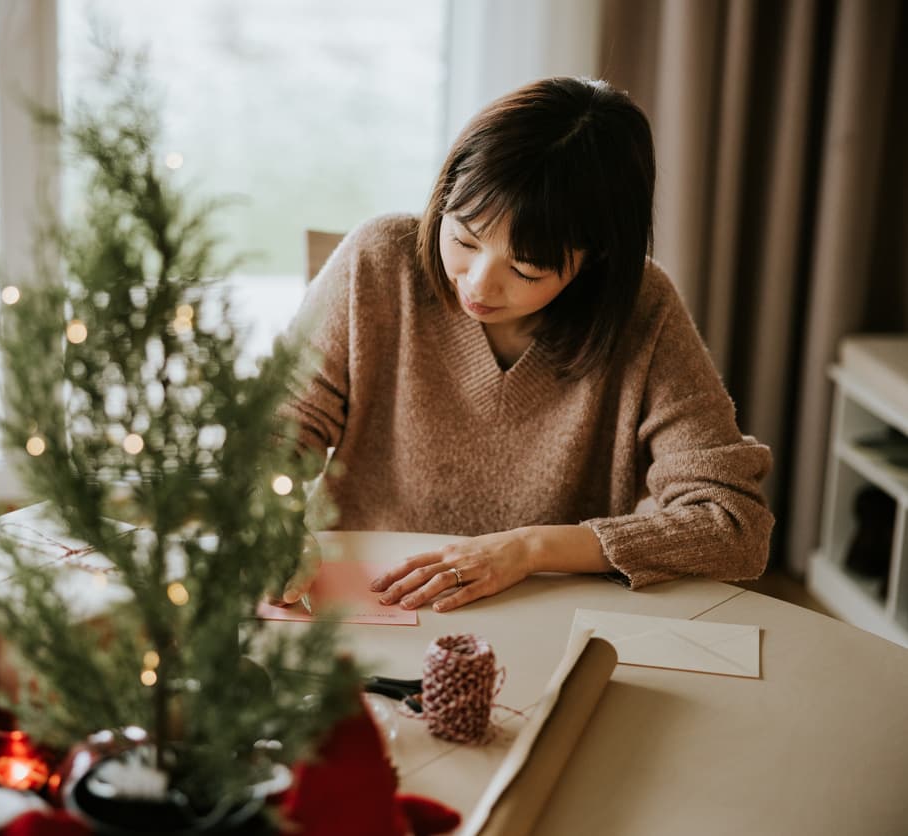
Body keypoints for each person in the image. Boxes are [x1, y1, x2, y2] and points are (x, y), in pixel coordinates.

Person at [277, 76, 774, 613]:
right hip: (368, 599)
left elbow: (734, 524)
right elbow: (278, 427)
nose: (479, 285)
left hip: (549, 612)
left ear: (595, 259)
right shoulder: (379, 261)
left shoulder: (642, 311)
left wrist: (529, 548)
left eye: (525, 269)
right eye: (464, 239)